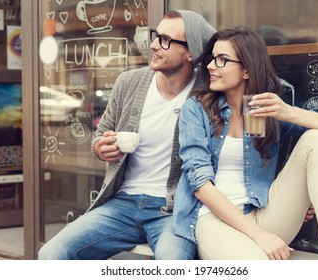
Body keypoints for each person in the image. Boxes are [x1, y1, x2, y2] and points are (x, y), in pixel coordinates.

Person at [37, 10, 216, 260]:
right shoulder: (129, 82)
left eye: (165, 40)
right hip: (122, 203)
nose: (153, 44)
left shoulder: (206, 95)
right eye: (156, 35)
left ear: (190, 52)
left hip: (174, 211)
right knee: (52, 254)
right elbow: (99, 136)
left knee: (173, 263)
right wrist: (101, 147)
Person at [169, 26, 318, 260]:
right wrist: (260, 235)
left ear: (247, 70)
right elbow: (201, 186)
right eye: (211, 58)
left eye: (222, 60)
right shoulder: (197, 110)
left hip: (263, 213)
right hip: (214, 222)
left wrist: (288, 112)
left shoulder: (264, 109)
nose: (210, 66)